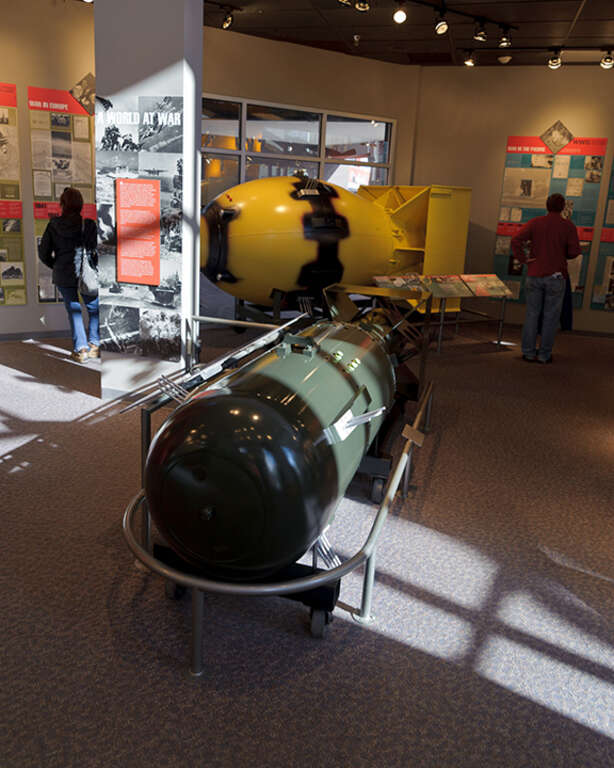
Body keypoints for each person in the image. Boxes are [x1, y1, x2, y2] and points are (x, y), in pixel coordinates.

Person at [511, 193, 581, 364]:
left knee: (532, 314)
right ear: (563, 206)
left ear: (546, 205)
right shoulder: (568, 226)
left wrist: (523, 259)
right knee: (551, 317)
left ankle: (528, 352)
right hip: (556, 276)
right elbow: (574, 252)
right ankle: (544, 355)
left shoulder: (536, 223)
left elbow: (516, 239)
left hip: (535, 274)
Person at [38, 187, 99, 363]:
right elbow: (95, 251)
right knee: (94, 308)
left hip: (63, 275)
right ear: (80, 205)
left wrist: (55, 265)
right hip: (86, 275)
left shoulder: (53, 225)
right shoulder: (88, 225)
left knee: (74, 310)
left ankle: (81, 350)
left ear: (62, 204)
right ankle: (94, 345)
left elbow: (43, 253)